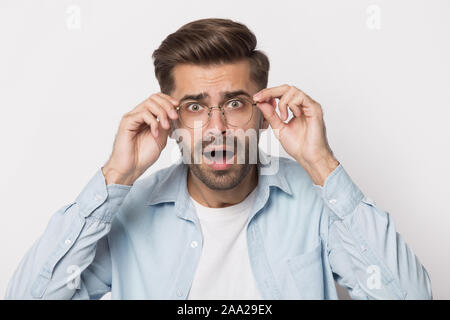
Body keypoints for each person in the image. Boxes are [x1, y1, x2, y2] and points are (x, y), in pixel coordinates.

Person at [6, 18, 432, 300]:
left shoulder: (315, 203)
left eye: (234, 104)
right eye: (194, 107)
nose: (217, 129)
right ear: (169, 119)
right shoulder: (129, 213)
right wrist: (116, 175)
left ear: (264, 113)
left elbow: (411, 296)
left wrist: (321, 162)